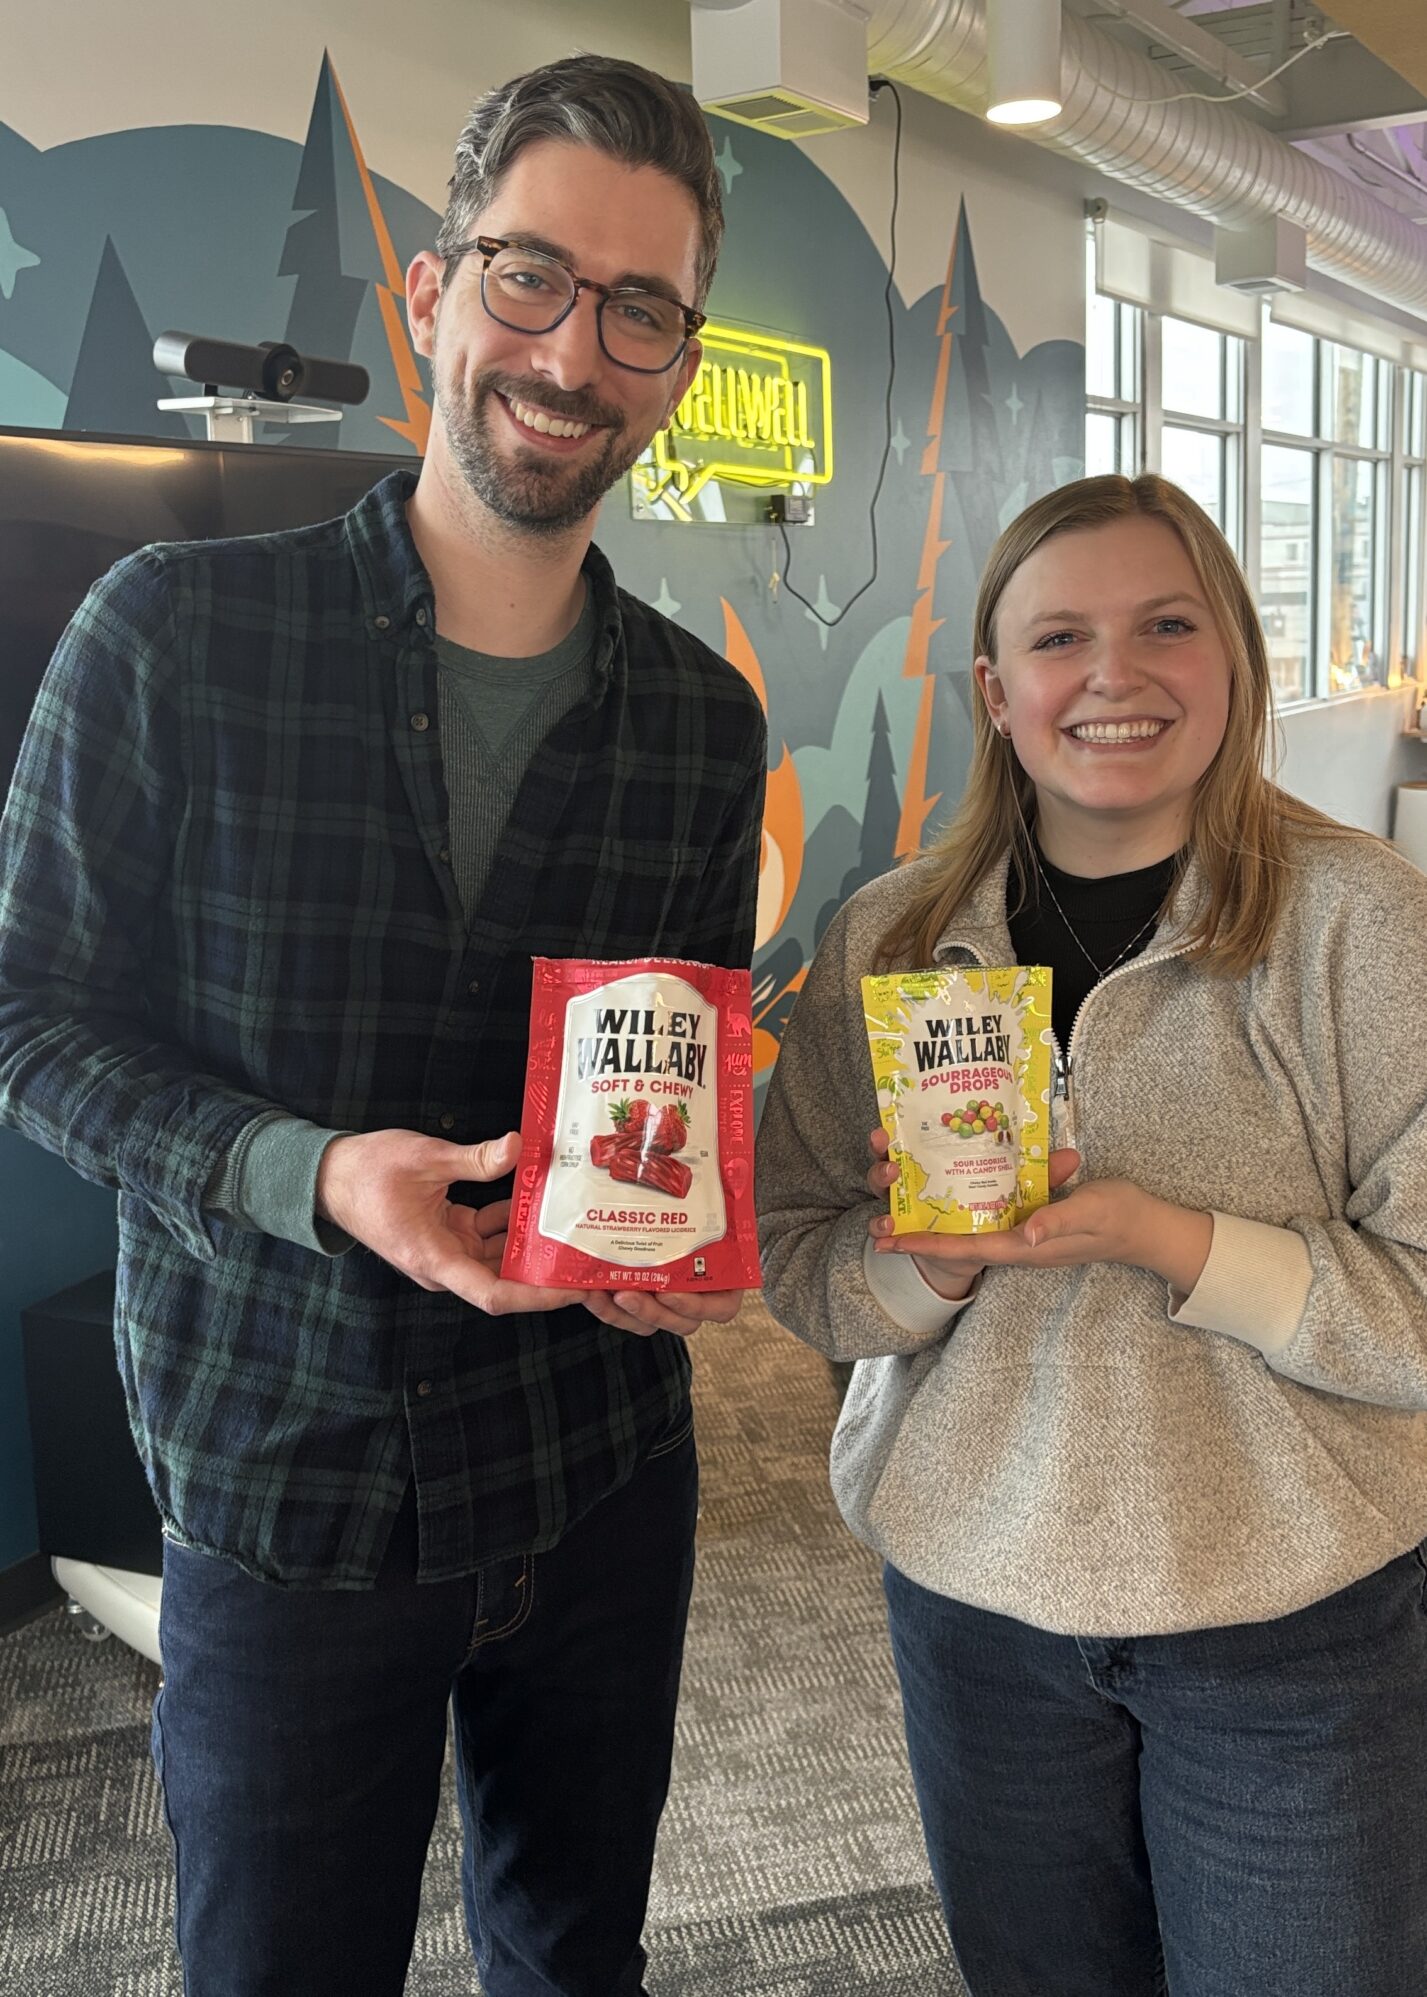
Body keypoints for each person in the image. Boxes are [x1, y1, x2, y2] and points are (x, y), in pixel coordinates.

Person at [0, 55, 766, 1997]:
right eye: (528, 277)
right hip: (286, 1468)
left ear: (677, 363)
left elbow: (667, 1052)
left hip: (598, 1466)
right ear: (428, 295)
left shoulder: (701, 718)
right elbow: (26, 1012)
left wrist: (679, 1235)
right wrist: (306, 1172)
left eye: (638, 309)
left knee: (574, 1955)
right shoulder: (174, 632)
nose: (571, 350)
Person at [756, 473, 1427, 1997]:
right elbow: (800, 1254)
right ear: (995, 691)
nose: (1115, 675)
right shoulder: (896, 938)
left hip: (1294, 1629)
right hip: (977, 1610)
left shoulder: (1367, 930)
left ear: (1236, 659)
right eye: (1061, 638)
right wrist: (927, 1262)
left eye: (1167, 625)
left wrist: (1167, 1235)